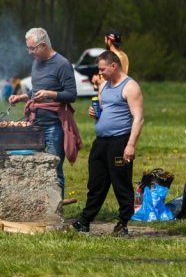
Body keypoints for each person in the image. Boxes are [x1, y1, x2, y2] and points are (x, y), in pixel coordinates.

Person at [71, 50, 145, 237]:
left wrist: (130, 145)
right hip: (101, 142)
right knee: (96, 183)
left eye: (103, 69)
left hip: (120, 141)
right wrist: (96, 114)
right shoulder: (103, 86)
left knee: (121, 182)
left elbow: (138, 118)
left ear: (114, 66)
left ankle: (122, 222)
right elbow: (105, 111)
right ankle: (85, 220)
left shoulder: (130, 86)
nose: (100, 72)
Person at [8, 28, 82, 194]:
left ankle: (56, 212)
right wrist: (22, 98)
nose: (30, 52)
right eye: (28, 48)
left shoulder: (62, 64)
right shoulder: (36, 62)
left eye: (32, 48)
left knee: (53, 170)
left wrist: (50, 94)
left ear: (43, 45)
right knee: (34, 168)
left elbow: (71, 95)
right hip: (35, 123)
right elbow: (36, 93)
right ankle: (40, 207)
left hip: (54, 125)